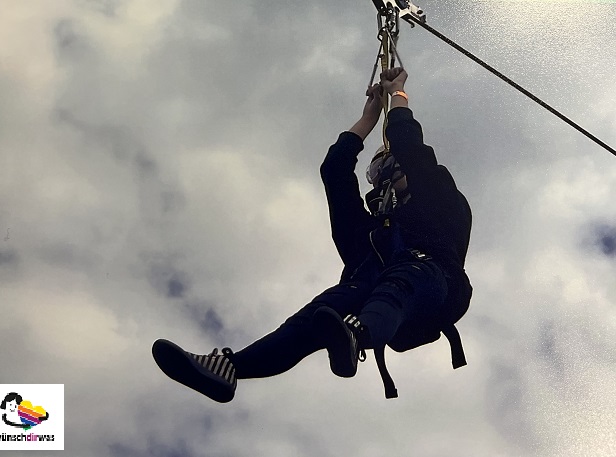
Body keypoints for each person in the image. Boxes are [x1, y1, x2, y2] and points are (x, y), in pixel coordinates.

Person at [152, 67, 472, 402]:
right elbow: (334, 171)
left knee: (405, 274)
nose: (380, 178)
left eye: (386, 165)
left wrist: (397, 95)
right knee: (323, 310)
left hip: (433, 286)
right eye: (375, 171)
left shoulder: (440, 200)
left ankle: (357, 334)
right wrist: (367, 120)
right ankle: (231, 368)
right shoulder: (368, 236)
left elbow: (410, 145)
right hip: (378, 300)